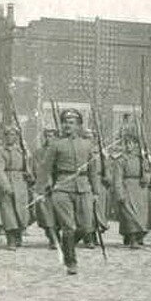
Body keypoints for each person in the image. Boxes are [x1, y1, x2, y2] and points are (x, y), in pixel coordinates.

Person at [35, 109, 103, 274]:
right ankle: (71, 262)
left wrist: (96, 191)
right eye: (65, 122)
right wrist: (40, 190)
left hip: (83, 187)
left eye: (71, 123)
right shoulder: (56, 144)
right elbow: (45, 168)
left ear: (79, 126)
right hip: (62, 188)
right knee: (68, 227)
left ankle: (67, 245)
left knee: (87, 227)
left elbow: (93, 170)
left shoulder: (87, 145)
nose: (67, 125)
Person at [0, 125, 32, 250]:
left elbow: (29, 166)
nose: (10, 137)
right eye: (8, 134)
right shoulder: (0, 151)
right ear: (4, 136)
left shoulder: (22, 150)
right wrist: (5, 185)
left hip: (20, 182)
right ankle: (11, 239)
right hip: (7, 179)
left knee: (21, 210)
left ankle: (19, 234)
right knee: (8, 211)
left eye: (13, 134)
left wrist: (29, 174)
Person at [110, 129, 150, 247]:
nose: (128, 146)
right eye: (126, 143)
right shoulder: (121, 160)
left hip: (140, 190)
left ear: (136, 144)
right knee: (129, 214)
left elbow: (149, 173)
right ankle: (132, 238)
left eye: (131, 143)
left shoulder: (142, 159)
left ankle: (137, 236)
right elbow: (117, 178)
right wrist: (119, 193)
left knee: (141, 215)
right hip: (127, 188)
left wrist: (146, 176)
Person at [33, 128, 60, 249]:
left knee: (59, 213)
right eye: (48, 136)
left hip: (59, 186)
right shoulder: (39, 152)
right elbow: (37, 169)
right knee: (46, 214)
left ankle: (59, 237)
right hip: (44, 187)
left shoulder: (60, 151)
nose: (50, 139)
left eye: (53, 136)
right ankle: (52, 238)